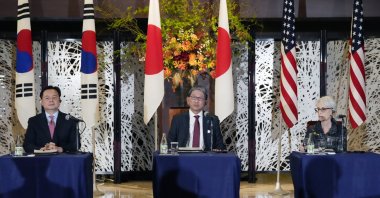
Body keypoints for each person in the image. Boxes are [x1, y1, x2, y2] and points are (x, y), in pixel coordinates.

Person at [167, 86, 226, 151]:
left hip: (206, 158)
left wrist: (218, 150)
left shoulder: (212, 119)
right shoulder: (178, 119)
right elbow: (170, 143)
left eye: (200, 98)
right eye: (193, 98)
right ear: (188, 100)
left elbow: (220, 145)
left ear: (205, 102)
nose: (196, 101)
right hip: (183, 157)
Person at [23, 86, 79, 153]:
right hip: (41, 160)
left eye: (54, 97)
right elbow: (27, 145)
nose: (51, 100)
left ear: (59, 101)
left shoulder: (70, 120)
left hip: (64, 160)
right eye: (47, 98)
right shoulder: (34, 121)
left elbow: (76, 145)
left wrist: (60, 149)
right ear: (41, 102)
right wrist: (42, 149)